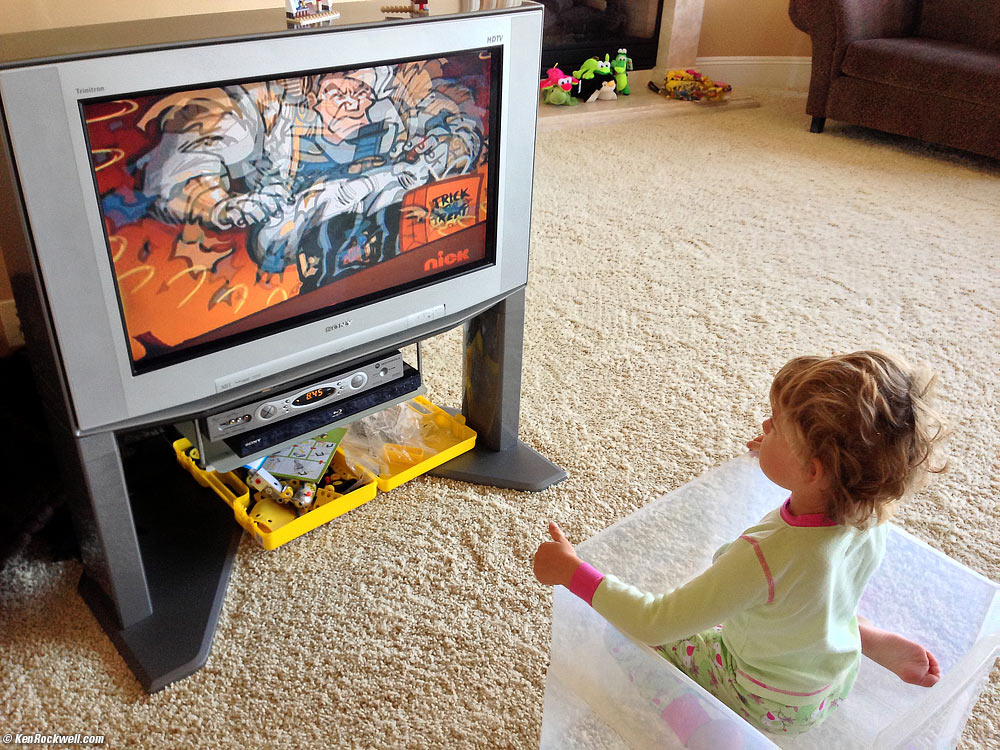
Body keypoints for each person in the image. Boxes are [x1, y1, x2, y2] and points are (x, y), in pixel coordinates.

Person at [533, 351, 948, 736]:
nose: (765, 427)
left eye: (777, 427)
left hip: (765, 699)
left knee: (622, 641)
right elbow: (816, 551)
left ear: (813, 471)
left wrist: (573, 572)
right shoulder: (870, 514)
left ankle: (704, 734)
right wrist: (779, 455)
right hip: (833, 679)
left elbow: (654, 620)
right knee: (820, 597)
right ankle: (865, 636)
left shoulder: (765, 558)